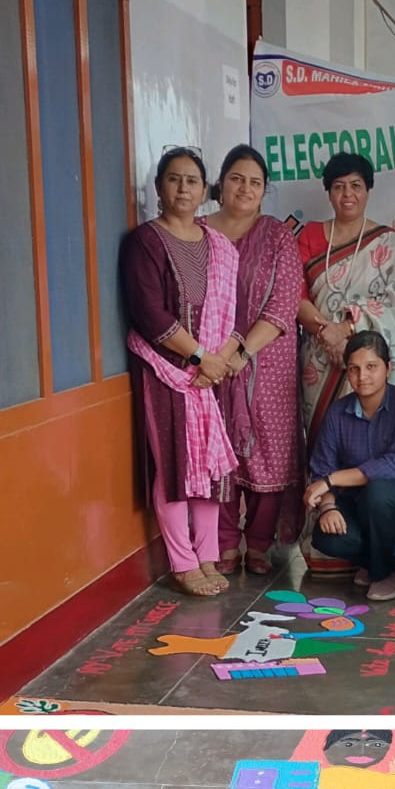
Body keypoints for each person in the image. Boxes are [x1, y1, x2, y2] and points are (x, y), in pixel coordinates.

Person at [121, 147, 240, 596]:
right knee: (175, 467)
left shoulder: (219, 247)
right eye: (174, 179)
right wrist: (198, 359)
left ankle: (207, 555)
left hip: (209, 376)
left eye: (192, 180)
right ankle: (183, 562)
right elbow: (149, 313)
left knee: (208, 469)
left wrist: (219, 361)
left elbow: (233, 312)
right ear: (159, 188)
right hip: (167, 372)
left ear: (203, 189)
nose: (183, 188)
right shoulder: (145, 241)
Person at [204, 144, 305, 576]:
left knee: (271, 449)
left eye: (255, 182)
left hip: (267, 359)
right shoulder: (197, 232)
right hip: (207, 360)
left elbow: (284, 304)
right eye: (237, 178)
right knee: (218, 449)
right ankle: (225, 542)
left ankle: (260, 542)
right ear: (221, 183)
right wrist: (214, 355)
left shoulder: (276, 235)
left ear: (265, 191)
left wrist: (242, 351)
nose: (245, 188)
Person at [303, 332, 395, 601]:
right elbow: (322, 468)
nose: (362, 376)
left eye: (371, 367)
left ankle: (384, 574)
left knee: (378, 493)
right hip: (355, 505)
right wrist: (329, 507)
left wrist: (332, 480)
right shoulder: (338, 412)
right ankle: (373, 561)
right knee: (326, 536)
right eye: (354, 369)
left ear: (388, 368)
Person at [297, 151, 395, 439]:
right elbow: (297, 297)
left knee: (368, 436)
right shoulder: (308, 236)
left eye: (356, 185)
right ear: (329, 192)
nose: (348, 194)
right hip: (319, 360)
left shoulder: (386, 240)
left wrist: (345, 330)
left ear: (368, 191)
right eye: (339, 186)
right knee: (323, 439)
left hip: (367, 355)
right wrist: (328, 335)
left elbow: (392, 303)